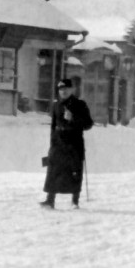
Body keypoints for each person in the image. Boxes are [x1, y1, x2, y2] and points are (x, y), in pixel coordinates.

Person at [40, 78, 93, 209]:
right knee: (53, 170)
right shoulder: (56, 105)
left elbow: (88, 124)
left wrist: (73, 118)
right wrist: (51, 143)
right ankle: (50, 200)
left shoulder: (80, 104)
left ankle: (75, 201)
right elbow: (53, 126)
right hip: (58, 142)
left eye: (66, 89)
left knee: (74, 171)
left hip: (74, 143)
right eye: (61, 89)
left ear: (71, 90)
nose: (63, 91)